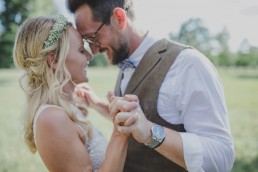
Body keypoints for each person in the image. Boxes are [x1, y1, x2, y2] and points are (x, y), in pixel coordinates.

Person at [67, 0, 235, 171]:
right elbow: (134, 120)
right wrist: (97, 104)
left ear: (119, 18)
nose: (93, 50)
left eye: (93, 37)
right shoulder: (124, 60)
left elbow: (222, 158)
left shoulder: (188, 64)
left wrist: (150, 132)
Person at [12, 15, 133, 172]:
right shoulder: (51, 119)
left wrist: (96, 104)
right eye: (81, 50)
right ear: (54, 60)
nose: (90, 56)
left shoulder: (62, 111)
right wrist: (120, 135)